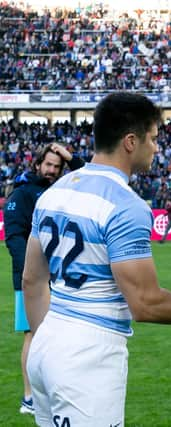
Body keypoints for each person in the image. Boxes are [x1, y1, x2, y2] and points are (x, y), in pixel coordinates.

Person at [22, 92, 171, 427]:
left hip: (46, 342)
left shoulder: (54, 192)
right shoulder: (125, 205)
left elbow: (32, 279)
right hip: (88, 352)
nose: (157, 148)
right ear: (131, 141)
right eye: (154, 139)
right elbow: (146, 304)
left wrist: (50, 337)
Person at [3, 142, 84, 415]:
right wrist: (32, 271)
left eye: (56, 166)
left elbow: (86, 175)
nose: (51, 170)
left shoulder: (62, 190)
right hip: (32, 279)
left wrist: (68, 156)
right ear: (37, 164)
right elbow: (13, 238)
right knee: (33, 335)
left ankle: (50, 391)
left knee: (56, 336)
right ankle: (29, 397)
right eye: (48, 164)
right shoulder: (22, 194)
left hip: (61, 277)